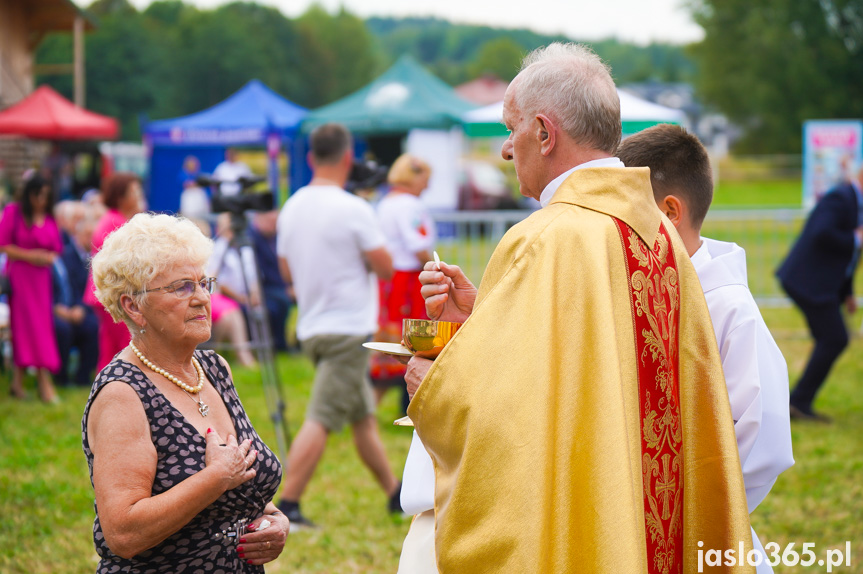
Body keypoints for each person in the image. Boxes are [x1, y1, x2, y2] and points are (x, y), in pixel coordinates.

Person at [405, 43, 753, 572]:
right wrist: (482, 323)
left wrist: (434, 383)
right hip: (645, 516)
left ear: (544, 133)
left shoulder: (544, 240)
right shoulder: (659, 233)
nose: (505, 148)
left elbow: (504, 416)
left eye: (510, 128)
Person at [617, 124, 795, 574]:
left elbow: (763, 433)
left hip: (701, 535)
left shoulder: (728, 307)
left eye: (623, 214)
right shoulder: (634, 289)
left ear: (670, 211)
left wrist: (695, 506)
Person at [83, 213, 288, 572]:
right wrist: (213, 479)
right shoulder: (123, 393)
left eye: (204, 282)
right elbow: (123, 534)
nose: (202, 298)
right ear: (134, 306)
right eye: (182, 287)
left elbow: (238, 481)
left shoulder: (213, 370)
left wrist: (274, 521)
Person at [275, 123, 402, 529]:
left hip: (312, 324)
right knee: (322, 416)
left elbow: (284, 267)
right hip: (348, 328)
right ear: (348, 158)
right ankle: (288, 504)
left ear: (311, 158)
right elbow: (385, 266)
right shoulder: (354, 209)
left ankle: (394, 494)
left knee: (363, 417)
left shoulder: (292, 205)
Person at [776, 165, 863, 422]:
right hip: (807, 282)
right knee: (834, 338)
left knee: (830, 338)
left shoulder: (855, 204)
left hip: (822, 284)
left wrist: (847, 292)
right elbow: (821, 232)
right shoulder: (841, 197)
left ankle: (798, 401)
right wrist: (856, 238)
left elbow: (850, 257)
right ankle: (798, 402)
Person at [371, 154, 435, 406]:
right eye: (426, 180)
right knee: (417, 340)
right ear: (415, 177)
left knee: (391, 338)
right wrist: (434, 266)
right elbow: (418, 244)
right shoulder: (410, 205)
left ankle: (374, 401)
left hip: (389, 280)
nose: (427, 186)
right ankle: (413, 400)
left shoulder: (386, 202)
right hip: (408, 281)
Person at [0, 173, 62, 403]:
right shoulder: (14, 212)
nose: (41, 200)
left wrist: (46, 258)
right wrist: (30, 256)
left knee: (40, 326)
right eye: (38, 195)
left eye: (46, 196)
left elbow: (56, 247)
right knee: (26, 328)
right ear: (29, 194)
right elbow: (3, 245)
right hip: (21, 277)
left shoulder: (49, 216)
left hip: (41, 280)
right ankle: (43, 381)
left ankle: (17, 384)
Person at [85, 172, 145, 371]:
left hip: (111, 292)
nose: (139, 196)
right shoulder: (115, 223)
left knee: (112, 347)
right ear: (121, 198)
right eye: (134, 192)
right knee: (123, 347)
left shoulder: (115, 219)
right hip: (115, 293)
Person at [53, 212, 99, 387]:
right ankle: (61, 377)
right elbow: (62, 285)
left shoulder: (90, 258)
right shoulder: (64, 255)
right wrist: (61, 308)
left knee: (92, 326)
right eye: (88, 235)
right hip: (61, 308)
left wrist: (81, 307)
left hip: (79, 309)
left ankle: (83, 376)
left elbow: (88, 289)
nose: (92, 239)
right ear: (78, 235)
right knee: (63, 329)